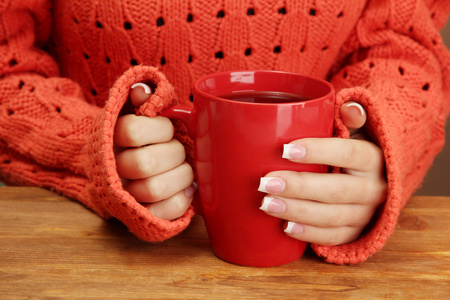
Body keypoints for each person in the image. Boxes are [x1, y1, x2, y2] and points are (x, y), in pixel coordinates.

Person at [0, 0, 449, 265]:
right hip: (96, 254)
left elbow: (401, 46)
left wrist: (376, 145)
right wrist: (91, 148)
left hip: (307, 263)